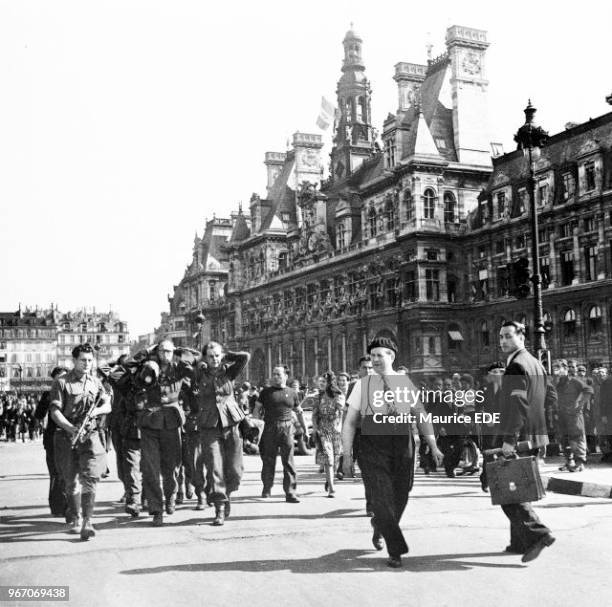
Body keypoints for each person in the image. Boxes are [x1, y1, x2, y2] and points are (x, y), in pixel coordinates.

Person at [342, 337, 443, 568]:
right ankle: (395, 549)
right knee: (380, 494)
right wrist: (346, 455)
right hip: (373, 442)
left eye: (380, 355)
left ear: (392, 357)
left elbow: (420, 414)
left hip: (402, 441)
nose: (375, 359)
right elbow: (349, 422)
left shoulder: (405, 382)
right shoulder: (362, 385)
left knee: (402, 493)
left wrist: (433, 445)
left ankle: (381, 525)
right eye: (373, 355)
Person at [498, 321, 555, 562]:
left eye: (508, 336)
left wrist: (510, 439)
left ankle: (538, 534)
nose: (503, 341)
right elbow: (550, 396)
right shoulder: (535, 363)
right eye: (501, 337)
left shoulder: (516, 366)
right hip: (535, 435)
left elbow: (518, 404)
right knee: (518, 487)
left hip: (520, 436)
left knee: (508, 492)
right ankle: (519, 542)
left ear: (522, 336)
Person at [49, 344, 112, 540]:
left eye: (90, 360)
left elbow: (107, 405)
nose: (87, 364)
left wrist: (97, 411)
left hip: (90, 436)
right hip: (67, 436)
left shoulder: (96, 382)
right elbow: (55, 412)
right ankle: (76, 517)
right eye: (83, 360)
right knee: (71, 481)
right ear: (74, 361)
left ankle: (87, 520)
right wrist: (70, 428)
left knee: (91, 477)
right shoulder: (61, 383)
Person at [136, 340, 193, 526]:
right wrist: (146, 354)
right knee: (150, 468)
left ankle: (171, 496)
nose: (165, 355)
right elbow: (127, 367)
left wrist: (181, 352)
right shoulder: (147, 367)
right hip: (150, 421)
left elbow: (195, 358)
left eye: (169, 351)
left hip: (171, 420)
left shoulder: (179, 369)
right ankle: (156, 509)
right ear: (157, 352)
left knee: (172, 467)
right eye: (162, 351)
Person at [193, 341, 250, 526]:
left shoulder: (229, 371)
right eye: (210, 356)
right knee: (214, 467)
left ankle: (227, 495)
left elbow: (245, 357)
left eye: (217, 355)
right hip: (209, 426)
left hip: (230, 423)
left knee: (235, 470)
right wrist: (199, 361)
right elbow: (186, 362)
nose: (214, 359)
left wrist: (228, 355)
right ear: (205, 357)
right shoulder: (199, 372)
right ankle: (219, 507)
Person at [253, 365, 307, 502]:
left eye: (278, 374)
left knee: (288, 461)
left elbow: (298, 410)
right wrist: (256, 426)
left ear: (286, 376)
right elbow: (257, 409)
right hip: (269, 427)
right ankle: (267, 488)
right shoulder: (266, 392)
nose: (275, 376)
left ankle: (290, 492)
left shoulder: (292, 392)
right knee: (268, 460)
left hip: (287, 427)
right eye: (274, 374)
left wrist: (304, 430)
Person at [34, 367, 68, 517]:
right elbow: (39, 415)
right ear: (53, 380)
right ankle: (57, 507)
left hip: (69, 438)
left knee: (68, 472)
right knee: (55, 472)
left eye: (64, 377)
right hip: (52, 439)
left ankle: (69, 505)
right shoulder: (48, 395)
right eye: (58, 378)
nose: (61, 380)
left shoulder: (72, 393)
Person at [552, 359, 590, 472]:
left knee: (577, 438)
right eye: (554, 368)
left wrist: (579, 405)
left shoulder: (575, 381)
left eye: (558, 368)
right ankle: (569, 461)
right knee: (564, 439)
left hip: (574, 416)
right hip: (561, 416)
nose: (556, 371)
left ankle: (580, 463)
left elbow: (588, 391)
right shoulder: (557, 383)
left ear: (565, 369)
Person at [312, 372, 345, 498]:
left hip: (336, 430)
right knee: (328, 459)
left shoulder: (338, 395)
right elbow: (315, 415)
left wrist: (340, 426)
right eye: (320, 382)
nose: (321, 384)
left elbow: (342, 410)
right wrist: (315, 429)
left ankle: (329, 479)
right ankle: (332, 488)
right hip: (323, 430)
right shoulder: (318, 397)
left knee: (336, 459)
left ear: (330, 383)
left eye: (323, 382)